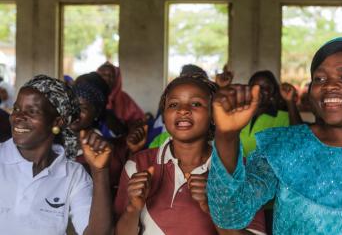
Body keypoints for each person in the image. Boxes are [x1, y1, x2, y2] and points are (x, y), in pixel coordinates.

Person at [207, 36, 342, 234]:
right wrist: (227, 136)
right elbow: (230, 214)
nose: (329, 86)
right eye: (320, 79)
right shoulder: (283, 146)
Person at [114, 75, 266, 235]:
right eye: (173, 104)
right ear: (164, 116)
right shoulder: (139, 164)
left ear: (214, 115)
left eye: (196, 103)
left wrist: (215, 206)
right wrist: (133, 208)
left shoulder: (240, 170)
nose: (183, 110)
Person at [0, 75, 112, 235]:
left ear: (57, 122)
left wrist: (100, 172)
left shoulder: (73, 175)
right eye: (16, 109)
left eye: (32, 111)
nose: (17, 117)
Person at [70, 72, 128, 196]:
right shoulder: (51, 140)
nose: (74, 113)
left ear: (96, 114)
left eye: (83, 108)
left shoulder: (104, 150)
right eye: (71, 106)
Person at [239, 70, 300, 156]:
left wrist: (290, 101)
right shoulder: (240, 115)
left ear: (272, 92)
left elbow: (299, 137)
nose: (259, 90)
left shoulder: (283, 117)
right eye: (255, 86)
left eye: (265, 87)